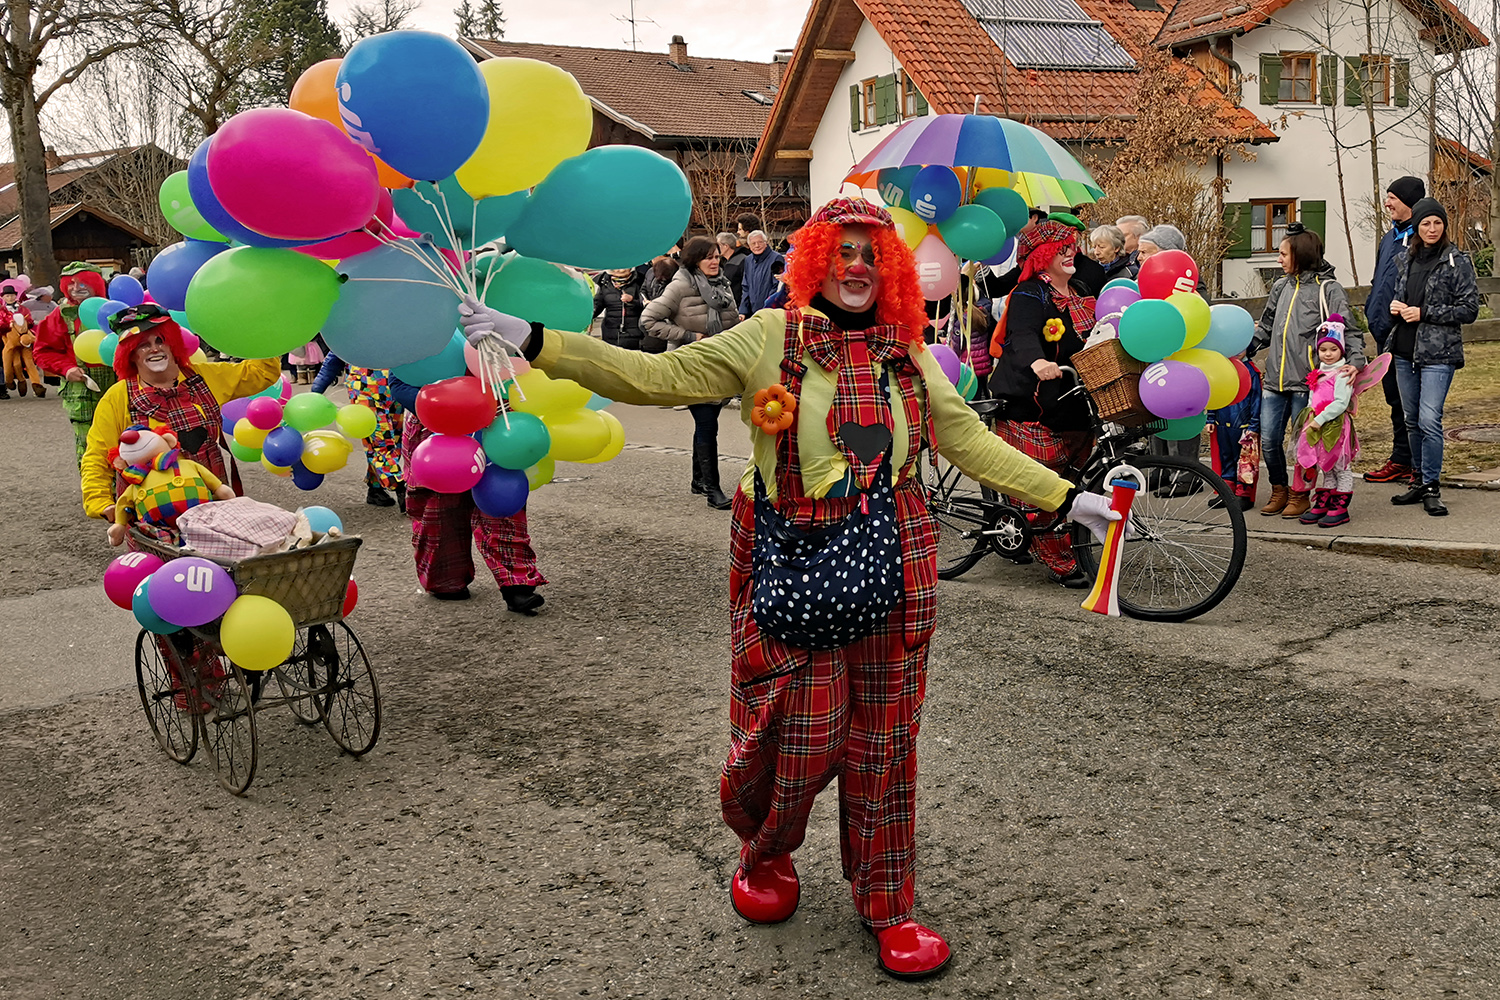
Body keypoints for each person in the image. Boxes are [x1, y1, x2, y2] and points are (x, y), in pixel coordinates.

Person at [456, 195, 1121, 981]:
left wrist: (1065, 496)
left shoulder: (904, 351)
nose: (856, 270)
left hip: (896, 559)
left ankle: (888, 903)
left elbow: (967, 439)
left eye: (871, 256)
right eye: (841, 254)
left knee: (884, 745)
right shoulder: (771, 337)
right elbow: (656, 375)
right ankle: (767, 850)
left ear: (892, 271)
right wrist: (536, 341)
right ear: (814, 262)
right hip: (793, 551)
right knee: (793, 729)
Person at [78, 303, 279, 526]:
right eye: (143, 345)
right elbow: (97, 454)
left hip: (211, 498)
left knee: (217, 558)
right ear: (131, 355)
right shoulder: (117, 397)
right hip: (153, 511)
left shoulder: (204, 376)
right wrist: (100, 502)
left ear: (173, 344)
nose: (155, 349)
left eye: (160, 340)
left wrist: (261, 328)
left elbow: (261, 373)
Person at [988, 219, 1099, 588]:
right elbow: (1020, 334)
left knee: (1075, 479)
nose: (1071, 251)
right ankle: (1059, 558)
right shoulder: (1029, 293)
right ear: (1041, 256)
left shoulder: (1082, 290)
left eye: (1072, 244)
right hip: (1030, 404)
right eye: (1061, 247)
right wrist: (1037, 361)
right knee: (1042, 483)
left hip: (1074, 402)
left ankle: (1066, 541)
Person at [388, 374, 548, 612]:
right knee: (438, 509)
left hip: (494, 418)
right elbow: (399, 382)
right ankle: (446, 579)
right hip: (434, 421)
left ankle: (517, 585)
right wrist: (441, 407)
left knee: (501, 500)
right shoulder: (413, 341)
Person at [1248, 223, 1363, 520]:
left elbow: (1349, 330)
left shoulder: (1328, 289)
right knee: (1270, 440)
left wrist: (1357, 361)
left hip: (1309, 383)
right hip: (1275, 380)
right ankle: (1279, 490)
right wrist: (1245, 348)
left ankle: (1301, 495)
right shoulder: (1280, 286)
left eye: (1283, 253)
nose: (1279, 259)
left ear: (1300, 254)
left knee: (1303, 443)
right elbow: (1268, 325)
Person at [1387, 198, 1479, 517]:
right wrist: (1396, 307)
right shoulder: (1406, 259)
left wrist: (1425, 313)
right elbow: (1402, 297)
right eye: (1426, 223)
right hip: (1403, 351)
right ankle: (1419, 480)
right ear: (1417, 227)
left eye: (1437, 223)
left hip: (1439, 353)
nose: (1432, 228)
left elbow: (1469, 309)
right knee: (1411, 421)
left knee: (1429, 419)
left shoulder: (1457, 261)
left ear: (1444, 226)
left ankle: (1432, 486)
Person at [639, 236, 740, 510]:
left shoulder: (722, 284)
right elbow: (648, 320)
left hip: (721, 362)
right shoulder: (680, 286)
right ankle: (713, 490)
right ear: (694, 260)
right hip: (693, 365)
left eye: (717, 256)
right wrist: (689, 335)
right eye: (708, 256)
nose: (714, 261)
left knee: (707, 422)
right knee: (708, 424)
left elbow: (728, 316)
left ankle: (699, 479)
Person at [1362, 176, 1425, 485]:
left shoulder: (1422, 237)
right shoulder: (1389, 237)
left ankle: (1417, 464)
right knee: (1393, 397)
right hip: (1382, 332)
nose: (1387, 203)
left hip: (1406, 333)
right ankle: (1401, 458)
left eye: (1392, 198)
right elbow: (1380, 279)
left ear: (1409, 202)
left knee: (1409, 401)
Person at [33, 263, 119, 462]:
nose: (76, 288)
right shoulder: (60, 315)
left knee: (125, 439)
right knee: (88, 446)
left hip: (119, 385)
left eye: (82, 283)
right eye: (70, 284)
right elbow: (42, 351)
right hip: (81, 391)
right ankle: (95, 490)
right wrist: (66, 368)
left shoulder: (116, 309)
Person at [1290, 317, 1362, 527]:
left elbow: (1341, 402)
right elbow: (1313, 401)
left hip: (1335, 427)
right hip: (1318, 425)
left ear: (1341, 350)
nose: (1328, 354)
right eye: (1324, 350)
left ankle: (1340, 506)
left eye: (1333, 349)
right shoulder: (1319, 373)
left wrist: (1320, 419)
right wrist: (1310, 420)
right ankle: (1326, 500)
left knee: (1341, 465)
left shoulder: (1343, 374)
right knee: (1325, 463)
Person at [311, 354, 406, 509]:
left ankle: (375, 488)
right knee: (380, 439)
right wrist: (316, 390)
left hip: (394, 385)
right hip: (363, 387)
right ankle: (399, 486)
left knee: (394, 440)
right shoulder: (352, 330)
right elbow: (336, 353)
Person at [593, 267, 645, 350]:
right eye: (616, 268)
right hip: (611, 333)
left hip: (635, 334)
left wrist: (632, 301)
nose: (620, 270)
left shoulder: (640, 281)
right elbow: (597, 305)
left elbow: (648, 305)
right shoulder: (604, 283)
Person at [738, 230, 784, 322]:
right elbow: (746, 286)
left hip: (770, 312)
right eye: (753, 243)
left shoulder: (776, 258)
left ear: (766, 243)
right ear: (749, 246)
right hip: (752, 313)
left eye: (760, 242)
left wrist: (767, 307)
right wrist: (743, 311)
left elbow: (777, 287)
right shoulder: (748, 260)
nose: (757, 246)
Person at [717, 232, 749, 305]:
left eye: (718, 245)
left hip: (738, 304)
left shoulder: (742, 260)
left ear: (726, 246)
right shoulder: (723, 262)